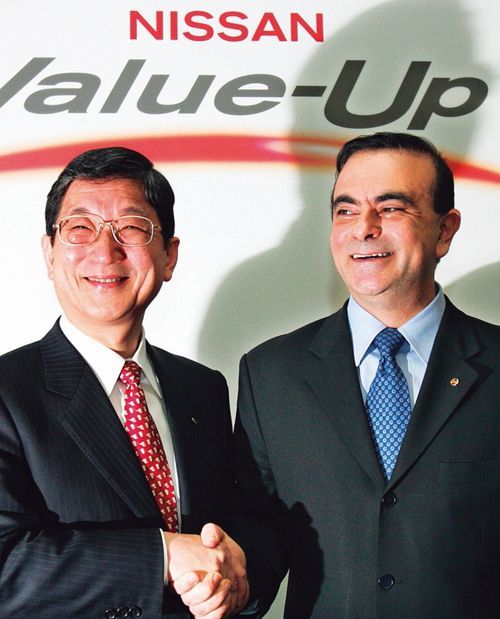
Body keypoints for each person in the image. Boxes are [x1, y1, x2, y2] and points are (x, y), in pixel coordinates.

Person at [230, 132, 500, 617]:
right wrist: (234, 582)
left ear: (445, 230)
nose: (364, 228)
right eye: (346, 210)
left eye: (391, 208)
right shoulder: (269, 374)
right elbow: (260, 531)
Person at [0, 146, 249, 618]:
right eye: (80, 228)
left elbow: (234, 528)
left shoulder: (202, 389)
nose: (104, 251)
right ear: (49, 255)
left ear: (169, 256)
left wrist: (236, 580)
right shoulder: (9, 392)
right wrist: (163, 555)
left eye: (131, 228)